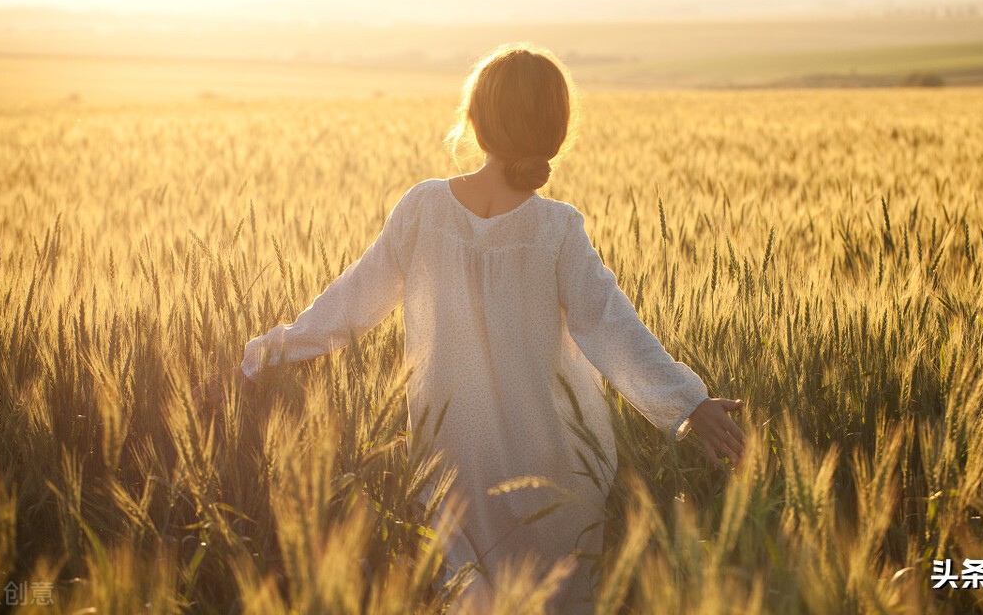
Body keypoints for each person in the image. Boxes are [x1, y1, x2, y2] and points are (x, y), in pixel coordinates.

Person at [205, 44, 745, 612]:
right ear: (554, 132)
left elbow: (348, 306)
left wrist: (263, 355)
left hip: (451, 463)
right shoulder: (557, 229)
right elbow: (611, 328)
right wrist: (688, 404)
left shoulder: (423, 210)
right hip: (553, 468)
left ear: (477, 120)